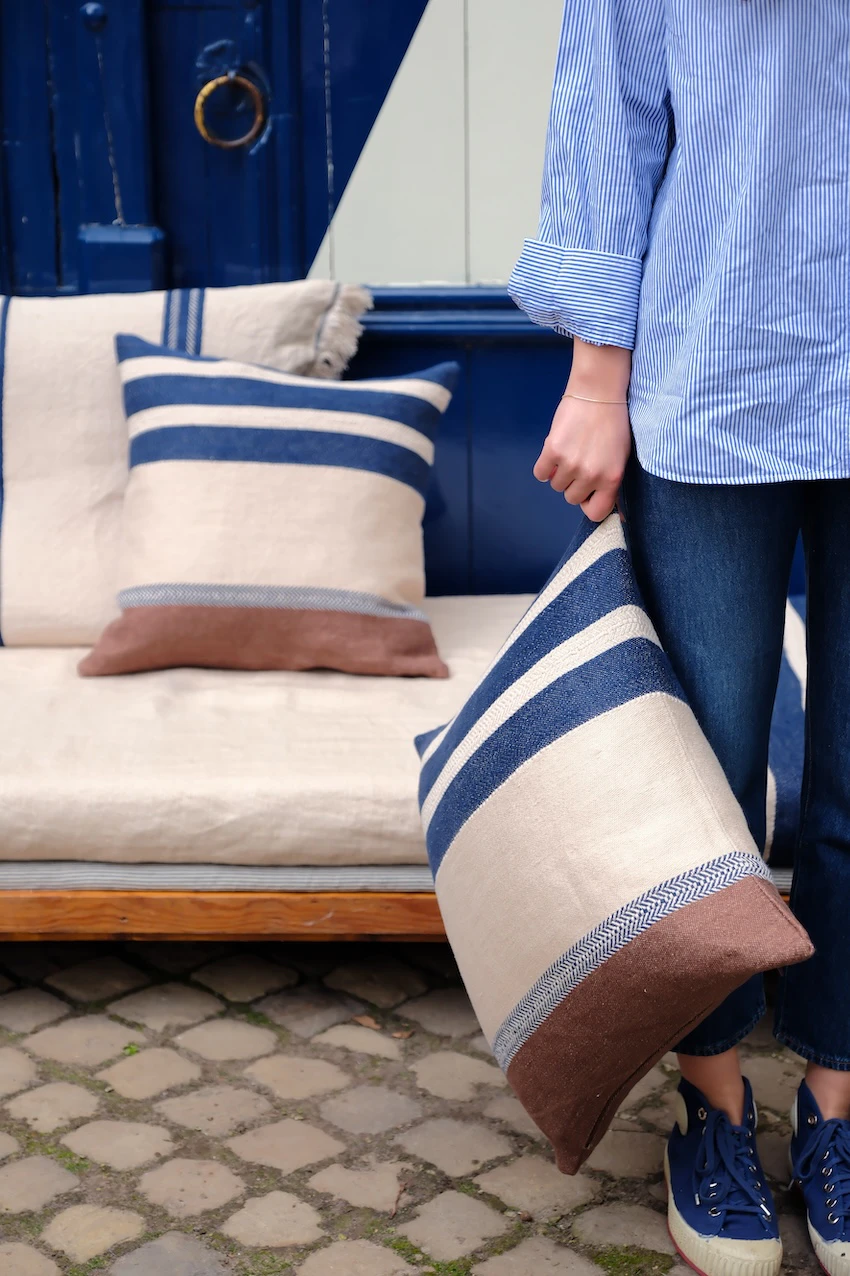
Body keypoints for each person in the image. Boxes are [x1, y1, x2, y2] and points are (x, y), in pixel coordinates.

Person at [508, 3, 850, 1274]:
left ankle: (837, 1106)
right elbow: (610, 117)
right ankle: (712, 1103)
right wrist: (595, 380)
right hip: (715, 366)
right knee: (703, 785)